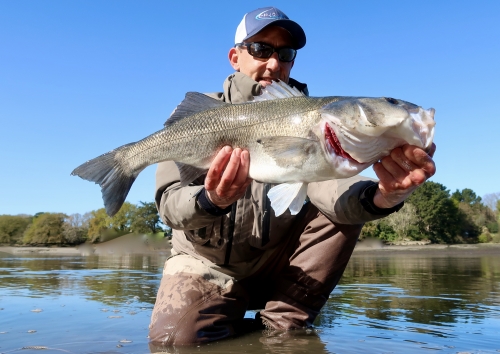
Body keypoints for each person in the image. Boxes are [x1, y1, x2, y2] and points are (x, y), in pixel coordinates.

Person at [148, 6, 436, 347]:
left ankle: (283, 325)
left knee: (346, 208)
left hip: (278, 265)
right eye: (260, 49)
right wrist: (212, 200)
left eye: (285, 53)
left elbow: (335, 192)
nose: (273, 63)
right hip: (207, 263)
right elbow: (169, 208)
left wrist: (384, 196)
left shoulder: (319, 123)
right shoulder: (198, 116)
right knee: (176, 343)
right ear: (234, 56)